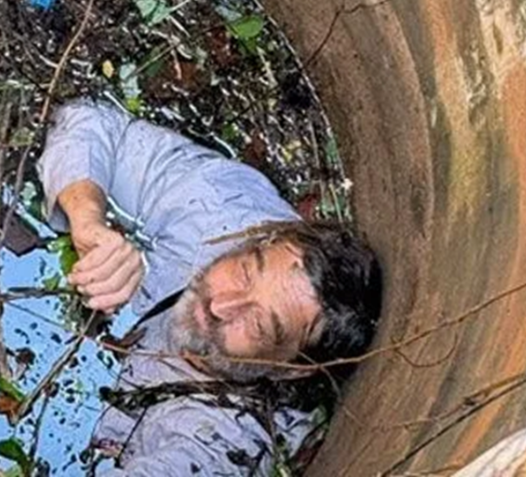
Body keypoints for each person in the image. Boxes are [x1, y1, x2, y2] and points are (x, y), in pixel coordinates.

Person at [37, 99, 382, 476]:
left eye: (258, 325)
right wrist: (88, 220)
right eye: (246, 272)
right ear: (261, 241)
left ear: (288, 370)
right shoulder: (225, 211)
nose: (221, 306)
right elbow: (88, 120)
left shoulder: (228, 436)